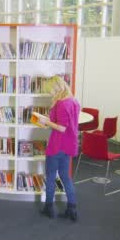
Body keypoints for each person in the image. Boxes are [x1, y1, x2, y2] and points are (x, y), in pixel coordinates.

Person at [39, 76, 80, 222]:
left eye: (50, 91)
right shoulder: (73, 101)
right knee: (65, 177)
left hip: (57, 145)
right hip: (69, 145)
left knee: (50, 177)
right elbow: (69, 125)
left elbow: (62, 127)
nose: (50, 94)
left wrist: (46, 122)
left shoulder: (62, 104)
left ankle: (49, 208)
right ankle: (72, 208)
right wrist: (49, 121)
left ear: (56, 88)